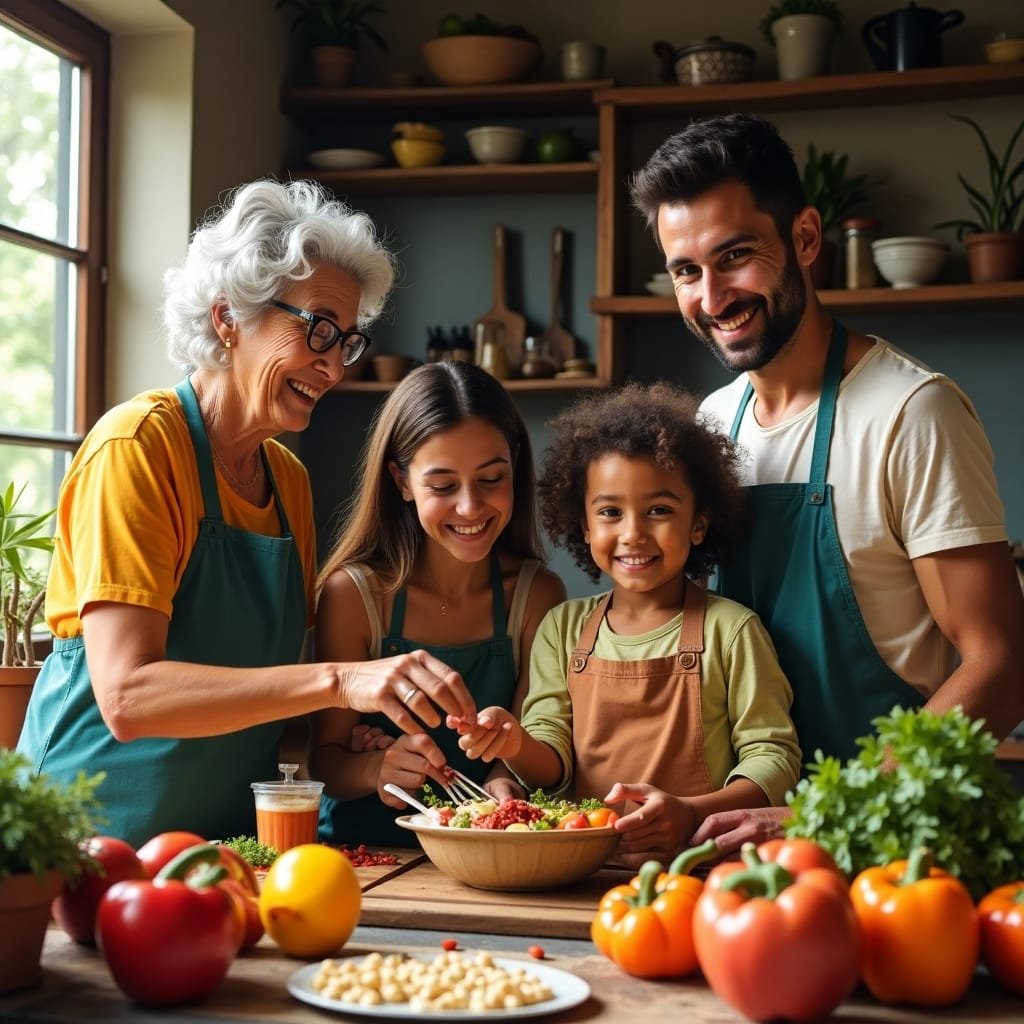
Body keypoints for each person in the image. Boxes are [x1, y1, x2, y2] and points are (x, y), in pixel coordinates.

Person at [17, 180, 475, 847]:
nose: (332, 363)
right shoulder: (138, 448)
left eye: (345, 340)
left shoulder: (287, 482)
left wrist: (366, 749)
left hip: (226, 854)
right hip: (84, 853)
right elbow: (128, 698)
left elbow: (265, 698)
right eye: (317, 326)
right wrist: (341, 681)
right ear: (228, 317)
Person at [628, 113, 1024, 853]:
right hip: (740, 837)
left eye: (735, 256)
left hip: (889, 846)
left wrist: (832, 810)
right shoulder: (713, 423)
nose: (711, 298)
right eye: (686, 271)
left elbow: (1002, 665)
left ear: (805, 240)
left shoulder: (913, 412)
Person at [453, 383, 802, 867]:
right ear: (584, 526)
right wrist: (516, 742)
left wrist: (690, 814)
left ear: (698, 524)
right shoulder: (563, 628)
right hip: (579, 873)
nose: (632, 533)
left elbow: (774, 760)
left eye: (658, 510)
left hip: (697, 869)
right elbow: (551, 760)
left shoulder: (733, 630)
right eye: (610, 512)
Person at [311, 360, 566, 846]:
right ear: (401, 481)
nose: (470, 508)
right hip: (363, 854)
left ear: (515, 465)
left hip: (483, 861)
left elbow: (526, 749)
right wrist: (372, 767)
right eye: (443, 486)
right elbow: (324, 760)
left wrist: (504, 779)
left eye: (492, 478)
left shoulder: (537, 595)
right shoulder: (354, 595)